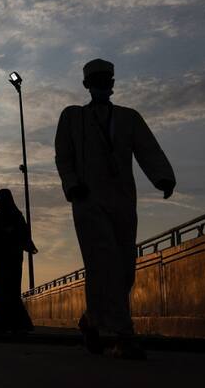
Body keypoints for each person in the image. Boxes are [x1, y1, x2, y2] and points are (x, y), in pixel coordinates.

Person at [55, 58, 176, 360]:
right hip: (88, 200)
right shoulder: (73, 117)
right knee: (103, 261)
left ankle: (92, 320)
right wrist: (72, 184)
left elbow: (147, 148)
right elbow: (64, 156)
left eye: (105, 80)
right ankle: (124, 335)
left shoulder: (128, 118)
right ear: (87, 84)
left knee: (123, 266)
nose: (101, 85)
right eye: (96, 80)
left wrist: (162, 177)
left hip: (122, 199)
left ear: (111, 83)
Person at [0, 188, 37, 333]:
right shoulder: (16, 216)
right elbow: (24, 235)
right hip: (10, 261)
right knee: (10, 291)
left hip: (2, 262)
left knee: (4, 290)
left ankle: (2, 323)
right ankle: (15, 324)